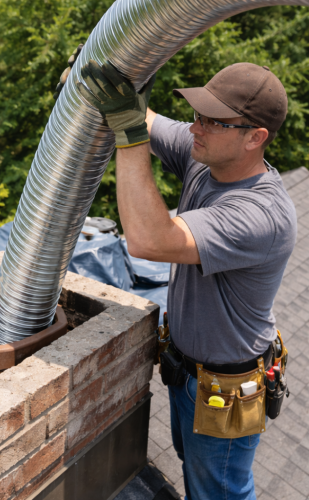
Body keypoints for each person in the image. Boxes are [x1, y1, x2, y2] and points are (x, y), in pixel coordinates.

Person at [55, 52, 297, 500]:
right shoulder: (208, 155)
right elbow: (142, 116)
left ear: (255, 138)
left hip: (224, 388)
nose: (195, 128)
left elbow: (147, 239)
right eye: (197, 114)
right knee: (197, 475)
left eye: (214, 121)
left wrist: (127, 136)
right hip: (186, 374)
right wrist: (85, 78)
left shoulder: (261, 214)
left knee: (221, 491)